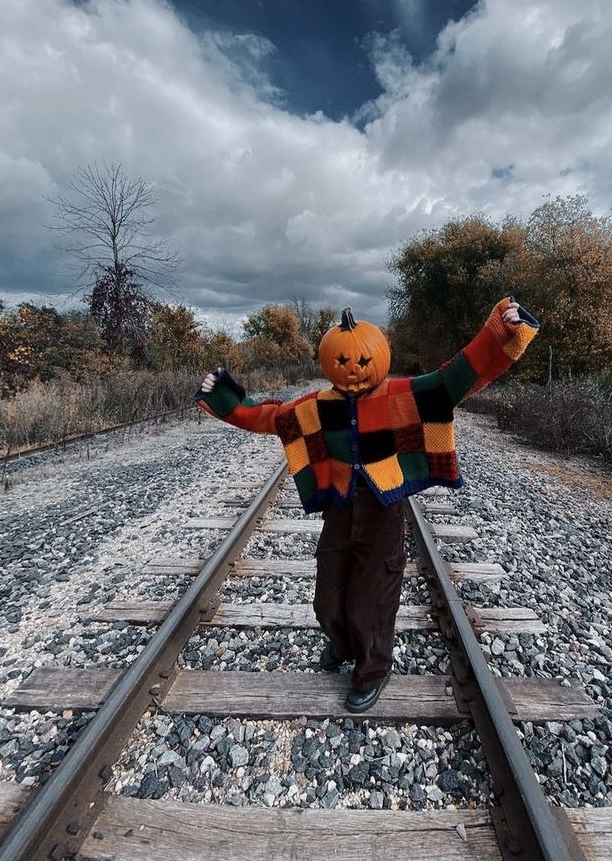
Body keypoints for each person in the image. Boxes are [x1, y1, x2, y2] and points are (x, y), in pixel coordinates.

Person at [195, 294, 540, 712]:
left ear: (377, 356)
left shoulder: (400, 396)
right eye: (342, 361)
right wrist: (224, 397)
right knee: (327, 596)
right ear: (328, 362)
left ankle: (373, 669)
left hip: (383, 510)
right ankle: (341, 645)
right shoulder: (319, 407)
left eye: (361, 360)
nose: (354, 368)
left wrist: (501, 331)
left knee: (370, 598)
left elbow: (458, 377)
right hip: (340, 508)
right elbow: (269, 417)